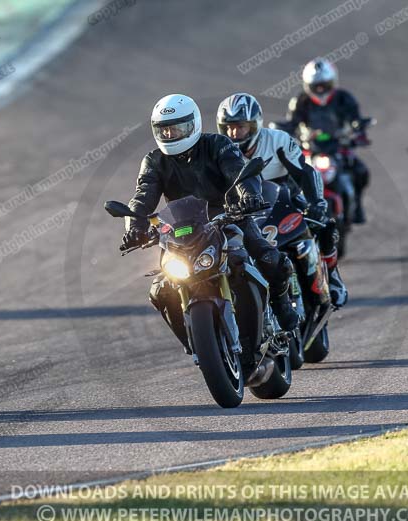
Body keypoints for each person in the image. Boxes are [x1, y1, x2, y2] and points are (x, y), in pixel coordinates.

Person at [121, 94, 300, 348]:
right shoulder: (154, 161)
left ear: (192, 125)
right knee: (160, 289)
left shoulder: (218, 144)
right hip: (181, 229)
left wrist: (248, 196)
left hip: (228, 215)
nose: (171, 135)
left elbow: (238, 172)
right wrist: (135, 228)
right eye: (165, 130)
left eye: (177, 128)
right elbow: (142, 197)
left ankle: (281, 307)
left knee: (269, 257)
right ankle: (195, 342)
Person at [216, 92, 348, 307]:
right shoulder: (219, 149)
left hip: (286, 197)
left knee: (325, 225)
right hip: (244, 211)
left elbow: (306, 172)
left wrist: (317, 202)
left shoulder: (278, 140)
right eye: (228, 127)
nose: (234, 133)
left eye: (241, 126)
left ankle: (333, 278)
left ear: (255, 124)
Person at [280, 58, 370, 223]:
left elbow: (355, 119)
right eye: (316, 86)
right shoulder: (301, 101)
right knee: (288, 177)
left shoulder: (344, 98)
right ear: (308, 85)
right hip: (310, 147)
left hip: (338, 147)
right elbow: (291, 123)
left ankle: (357, 206)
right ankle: (289, 214)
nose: (320, 90)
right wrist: (282, 133)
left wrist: (359, 130)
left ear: (333, 82)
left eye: (324, 85)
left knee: (361, 171)